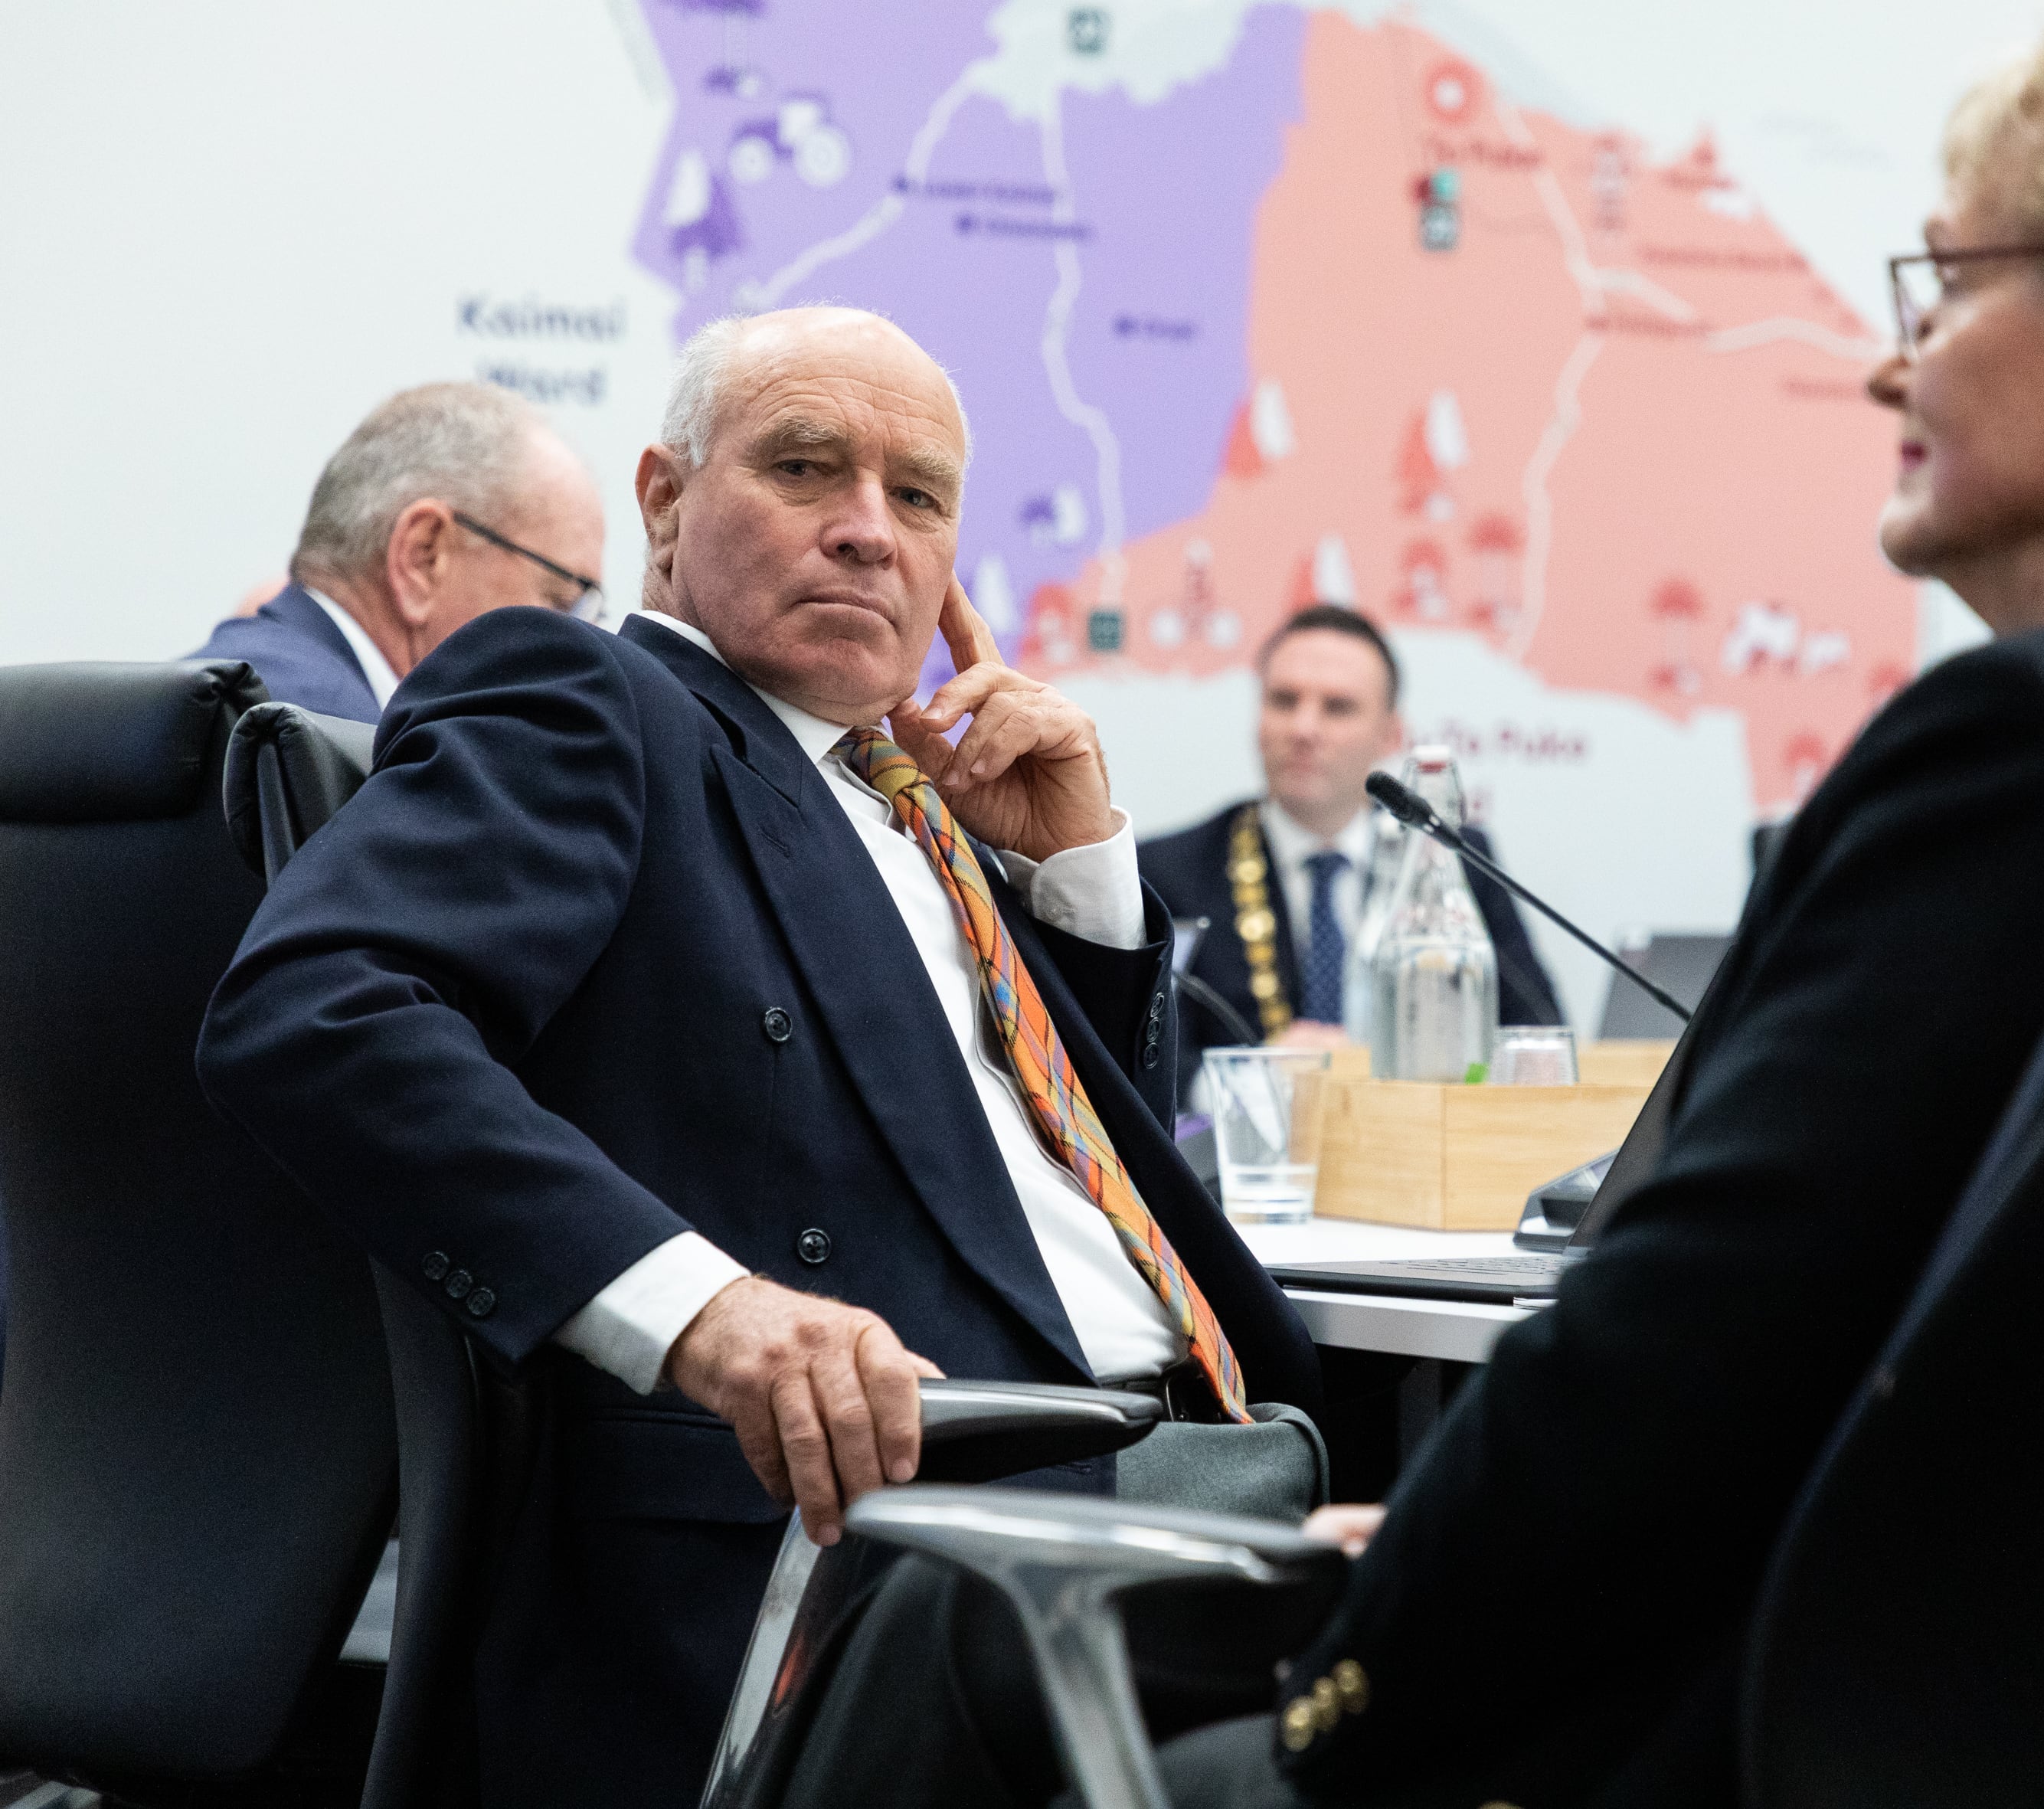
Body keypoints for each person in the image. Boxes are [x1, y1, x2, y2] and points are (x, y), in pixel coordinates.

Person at [794, 5, 2044, 1804]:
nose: (1889, 366)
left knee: (954, 1629)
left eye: (1948, 284)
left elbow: (1670, 1371)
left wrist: (1344, 1689)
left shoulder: (2038, 752)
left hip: (1794, 1737)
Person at [196, 306, 1320, 1809]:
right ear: (662, 501)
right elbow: (315, 1010)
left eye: (916, 498)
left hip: (1176, 1462)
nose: (867, 532)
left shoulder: (913, 800)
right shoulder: (591, 696)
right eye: (805, 468)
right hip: (898, 1550)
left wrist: (1079, 883)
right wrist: (711, 1312)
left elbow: (1007, 1185)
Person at [1139, 605, 1561, 1089]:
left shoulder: (1449, 856)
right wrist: (1253, 1076)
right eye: (1283, 700)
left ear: (1391, 734)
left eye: (1337, 707)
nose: (1303, 729)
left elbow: (1537, 1033)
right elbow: (1143, 1066)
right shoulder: (1170, 871)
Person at [188, 382, 607, 721]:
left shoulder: (187, 698)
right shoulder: (336, 757)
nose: (583, 648)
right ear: (422, 558)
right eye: (563, 600)